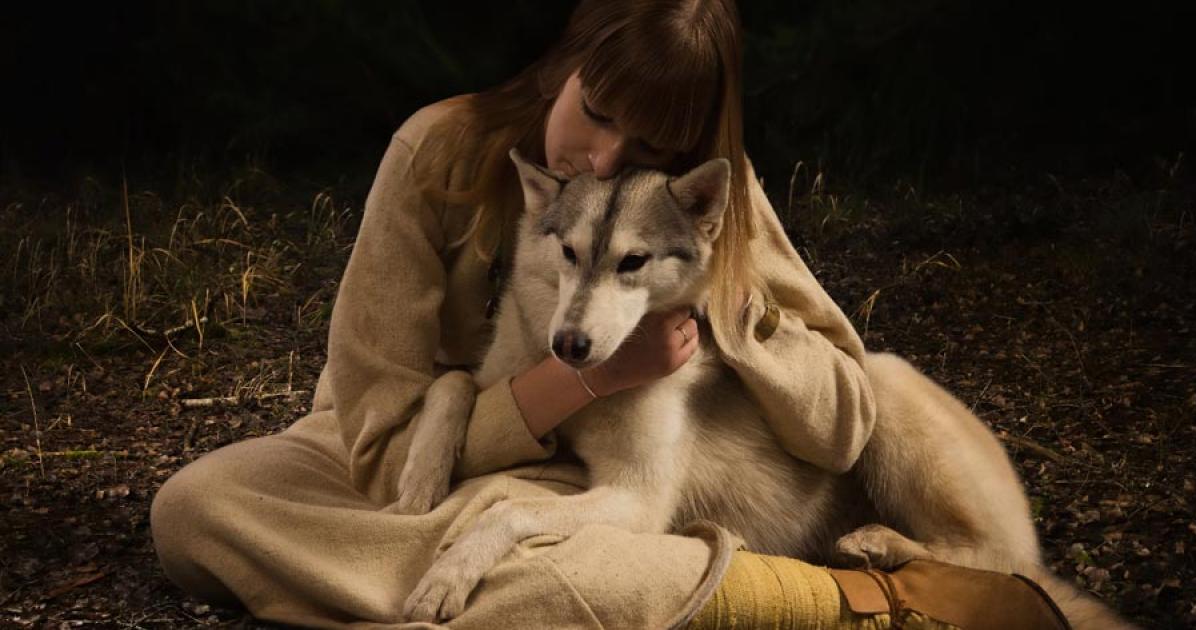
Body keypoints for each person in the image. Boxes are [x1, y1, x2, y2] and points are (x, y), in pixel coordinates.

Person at [150, 1, 1071, 628]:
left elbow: (846, 416)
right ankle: (541, 589)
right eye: (592, 110)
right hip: (444, 457)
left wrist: (719, 296)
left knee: (523, 559)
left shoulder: (701, 192)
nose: (602, 162)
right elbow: (389, 461)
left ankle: (828, 603)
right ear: (565, 63)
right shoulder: (436, 150)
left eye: (649, 144)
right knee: (196, 507)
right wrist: (581, 377)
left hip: (573, 485)